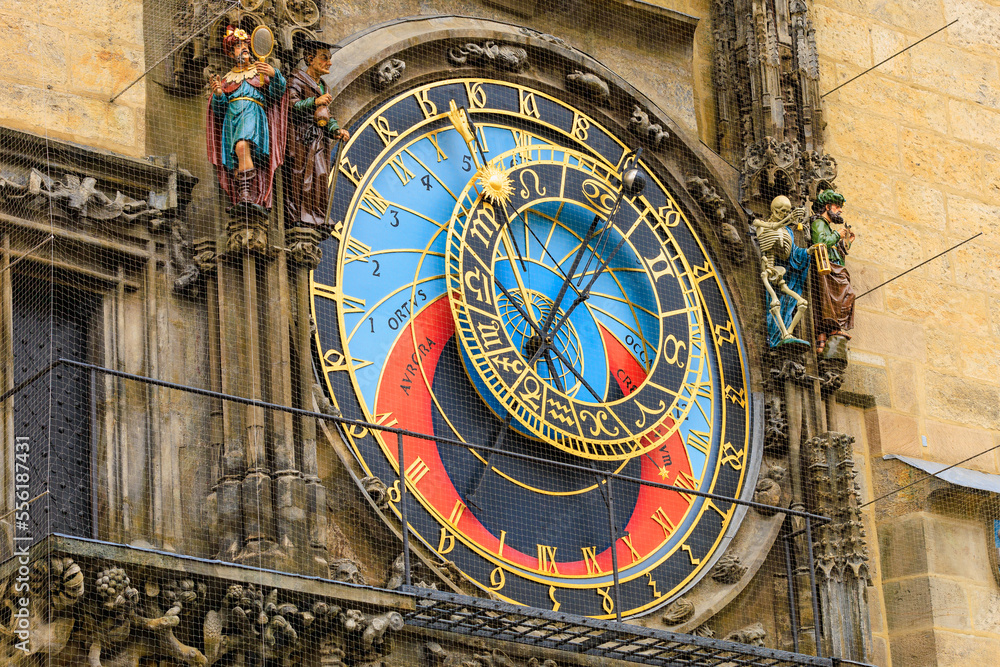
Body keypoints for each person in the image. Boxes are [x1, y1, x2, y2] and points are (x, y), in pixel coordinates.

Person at [206, 26, 287, 212]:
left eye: (245, 45)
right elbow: (219, 111)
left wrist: (274, 75)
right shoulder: (227, 79)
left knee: (242, 147)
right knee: (238, 157)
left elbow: (276, 94)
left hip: (252, 112)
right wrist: (218, 94)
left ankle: (246, 193)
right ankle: (242, 195)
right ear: (230, 53)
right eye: (237, 46)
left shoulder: (259, 71)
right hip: (231, 119)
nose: (243, 48)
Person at [285, 40, 350, 228]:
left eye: (329, 58)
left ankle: (317, 215)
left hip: (318, 138)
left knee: (320, 175)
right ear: (310, 59)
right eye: (324, 58)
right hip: (301, 138)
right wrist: (314, 102)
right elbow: (290, 105)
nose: (329, 62)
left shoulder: (323, 86)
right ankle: (300, 215)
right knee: (302, 176)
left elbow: (326, 114)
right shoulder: (296, 80)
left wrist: (335, 130)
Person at [810, 189, 856, 352]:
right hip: (827, 269)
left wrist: (845, 243)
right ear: (827, 207)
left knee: (844, 297)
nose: (840, 210)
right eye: (837, 206)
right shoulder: (818, 223)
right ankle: (829, 331)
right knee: (840, 297)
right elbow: (820, 242)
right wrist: (837, 235)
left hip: (835, 268)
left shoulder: (828, 227)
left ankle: (831, 331)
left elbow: (834, 249)